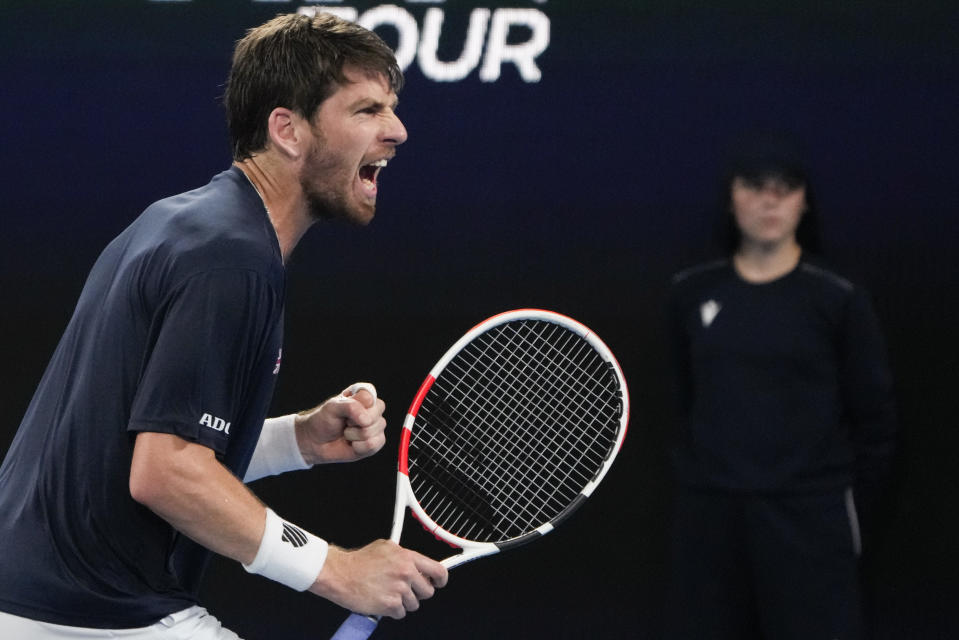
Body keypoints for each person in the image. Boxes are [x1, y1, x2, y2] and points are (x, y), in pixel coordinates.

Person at [0, 12, 447, 639]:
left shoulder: (184, 223)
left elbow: (136, 444)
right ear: (287, 130)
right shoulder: (232, 260)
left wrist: (298, 441)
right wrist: (338, 571)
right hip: (93, 616)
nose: (396, 131)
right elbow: (166, 473)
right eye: (367, 110)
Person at [664, 131, 897, 639]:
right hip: (712, 520)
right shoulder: (690, 293)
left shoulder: (839, 298)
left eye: (785, 186)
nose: (769, 199)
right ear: (731, 198)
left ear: (804, 200)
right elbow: (680, 403)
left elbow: (875, 418)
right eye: (754, 185)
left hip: (808, 519)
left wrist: (839, 507)